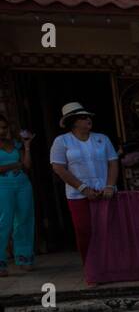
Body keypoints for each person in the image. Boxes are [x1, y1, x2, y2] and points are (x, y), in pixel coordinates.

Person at [49, 102, 117, 262]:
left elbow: (113, 162)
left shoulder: (102, 138)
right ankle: (91, 266)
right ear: (73, 121)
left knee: (109, 228)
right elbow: (58, 167)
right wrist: (83, 188)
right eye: (83, 117)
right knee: (84, 230)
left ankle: (112, 264)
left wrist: (110, 185)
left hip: (105, 192)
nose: (88, 119)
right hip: (77, 194)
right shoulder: (62, 141)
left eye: (88, 117)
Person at [0, 114, 35, 277]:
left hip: (23, 184)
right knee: (4, 222)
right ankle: (1, 261)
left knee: (24, 220)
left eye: (4, 127)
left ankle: (24, 258)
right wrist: (15, 164)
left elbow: (26, 165)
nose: (2, 130)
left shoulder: (14, 144)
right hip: (3, 186)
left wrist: (26, 146)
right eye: (0, 127)